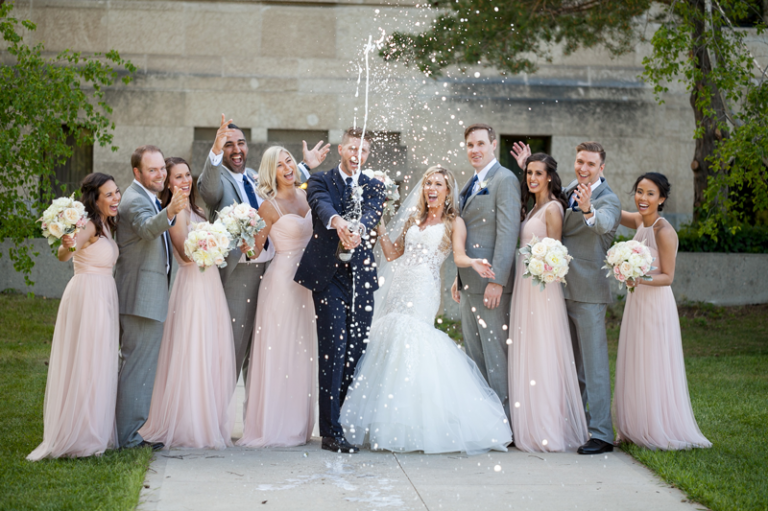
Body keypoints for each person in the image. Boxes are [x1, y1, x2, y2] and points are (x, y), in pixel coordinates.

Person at [341, 166, 512, 454]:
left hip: (423, 287)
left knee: (413, 339)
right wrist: (381, 225)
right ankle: (389, 419)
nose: (431, 188)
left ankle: (419, 424)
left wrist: (473, 263)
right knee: (390, 336)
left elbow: (457, 255)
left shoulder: (453, 222)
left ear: (447, 192)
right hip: (401, 284)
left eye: (439, 184)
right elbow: (394, 253)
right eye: (428, 183)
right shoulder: (412, 219)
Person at [198, 115, 329, 383]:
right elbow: (208, 189)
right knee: (233, 350)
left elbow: (283, 182)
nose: (236, 150)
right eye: (228, 145)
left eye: (241, 143)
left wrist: (306, 165)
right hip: (241, 276)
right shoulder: (218, 181)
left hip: (273, 273)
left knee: (263, 354)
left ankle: (255, 417)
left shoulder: (255, 179)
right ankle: (218, 420)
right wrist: (214, 148)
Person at [294, 127, 385, 453]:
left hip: (361, 278)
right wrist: (339, 224)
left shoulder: (375, 185)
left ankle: (344, 419)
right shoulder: (320, 180)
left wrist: (358, 227)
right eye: (351, 148)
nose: (356, 154)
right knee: (334, 349)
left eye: (363, 150)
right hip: (329, 278)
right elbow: (320, 205)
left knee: (355, 352)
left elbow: (373, 213)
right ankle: (330, 432)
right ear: (341, 150)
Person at [139, 157, 237, 450]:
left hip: (208, 284)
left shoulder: (196, 208)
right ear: (168, 182)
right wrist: (211, 247)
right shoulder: (176, 210)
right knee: (192, 349)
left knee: (209, 349)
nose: (184, 180)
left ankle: (207, 419)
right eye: (177, 176)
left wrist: (219, 244)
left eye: (187, 175)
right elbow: (183, 254)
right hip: (192, 284)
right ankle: (188, 422)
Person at [533, 141, 620, 455]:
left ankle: (601, 434)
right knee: (568, 365)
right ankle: (576, 424)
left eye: (590, 164)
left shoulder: (607, 198)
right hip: (559, 289)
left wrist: (588, 209)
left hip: (588, 294)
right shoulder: (568, 187)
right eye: (580, 161)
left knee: (594, 367)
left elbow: (604, 223)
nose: (583, 168)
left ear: (601, 168)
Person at [613, 173, 711, 450]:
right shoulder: (640, 221)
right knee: (634, 360)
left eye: (650, 193)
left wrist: (637, 277)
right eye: (639, 192)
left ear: (662, 198)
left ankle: (656, 427)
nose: (643, 198)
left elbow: (668, 276)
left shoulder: (663, 231)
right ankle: (632, 426)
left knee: (652, 362)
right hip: (637, 302)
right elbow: (614, 212)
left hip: (656, 303)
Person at [28, 173, 121, 460]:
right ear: (95, 199)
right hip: (88, 296)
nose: (116, 198)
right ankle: (81, 434)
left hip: (103, 294)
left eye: (117, 192)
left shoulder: (106, 224)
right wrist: (67, 240)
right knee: (86, 360)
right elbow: (63, 254)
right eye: (109, 194)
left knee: (99, 361)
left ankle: (93, 428)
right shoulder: (91, 225)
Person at [506, 153, 589, 452]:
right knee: (528, 353)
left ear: (550, 177)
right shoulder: (532, 210)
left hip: (543, 291)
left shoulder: (553, 209)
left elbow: (559, 256)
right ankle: (528, 423)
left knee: (542, 353)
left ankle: (548, 428)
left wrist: (542, 267)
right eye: (529, 173)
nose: (532, 178)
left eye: (538, 173)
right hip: (525, 288)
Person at [238, 147, 316, 448]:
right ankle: (274, 425)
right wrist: (241, 232)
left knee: (301, 352)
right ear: (272, 171)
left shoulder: (308, 196)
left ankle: (297, 425)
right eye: (280, 165)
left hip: (307, 285)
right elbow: (253, 252)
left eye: (289, 162)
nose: (287, 168)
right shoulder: (268, 207)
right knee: (279, 350)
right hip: (282, 283)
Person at [114, 145, 189, 450]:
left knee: (138, 367)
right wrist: (171, 210)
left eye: (161, 169)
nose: (160, 175)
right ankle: (129, 439)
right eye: (152, 170)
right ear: (137, 173)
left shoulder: (146, 196)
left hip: (148, 296)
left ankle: (129, 433)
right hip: (141, 300)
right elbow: (146, 229)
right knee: (137, 368)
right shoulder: (134, 200)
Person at [451, 124, 521, 423]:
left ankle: (504, 423)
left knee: (495, 357)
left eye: (481, 143)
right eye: (470, 145)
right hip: (470, 283)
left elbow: (508, 233)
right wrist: (459, 274)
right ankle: (484, 421)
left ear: (493, 144)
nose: (475, 150)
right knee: (475, 356)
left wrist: (497, 281)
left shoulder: (504, 179)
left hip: (491, 284)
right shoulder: (473, 181)